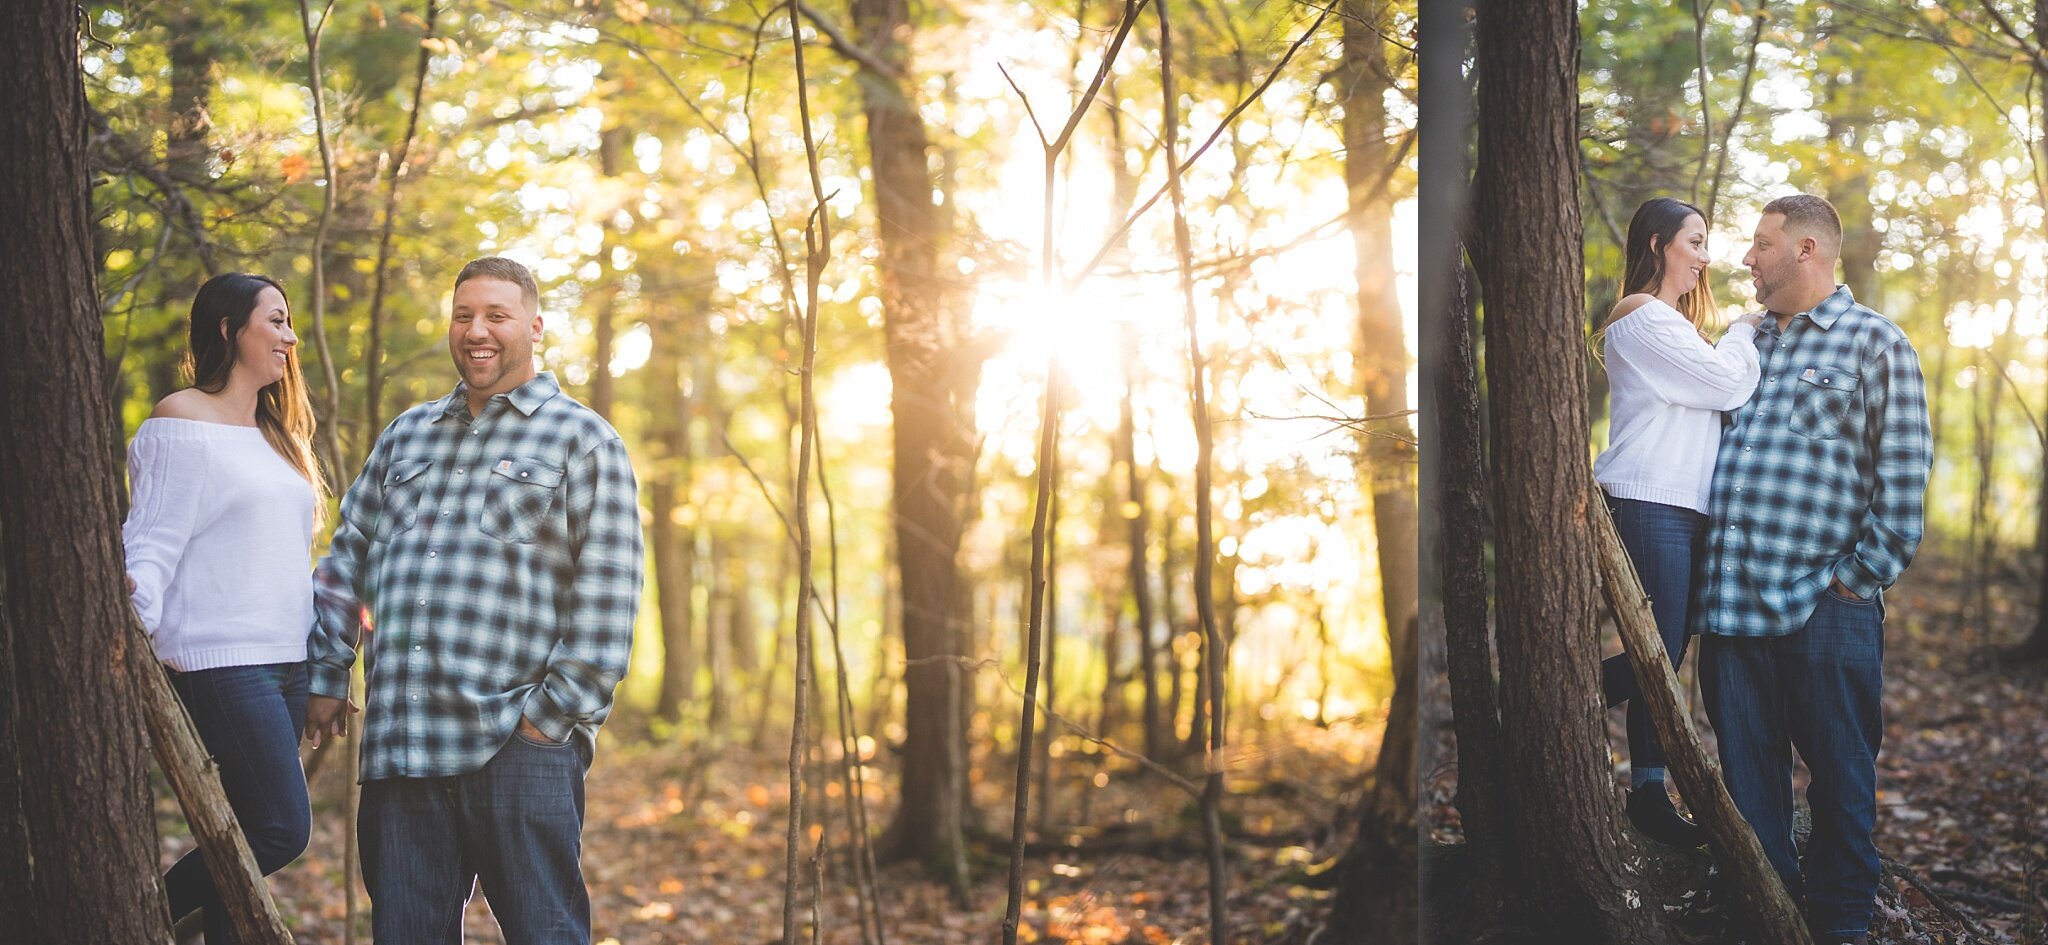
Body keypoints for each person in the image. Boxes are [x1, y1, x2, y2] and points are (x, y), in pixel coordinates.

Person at [305, 256, 643, 944]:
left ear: (535, 326)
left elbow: (607, 600)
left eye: (496, 314)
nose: (476, 330)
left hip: (517, 746)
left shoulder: (584, 439)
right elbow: (348, 560)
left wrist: (544, 723)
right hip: (403, 748)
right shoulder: (406, 436)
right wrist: (327, 670)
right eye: (464, 315)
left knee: (546, 934)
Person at [1692, 194, 1932, 945]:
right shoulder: (1742, 344)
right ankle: (1769, 919)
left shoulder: (1876, 344)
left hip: (1826, 605)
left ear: (1806, 250)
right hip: (1729, 607)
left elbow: (1903, 479)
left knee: (1841, 780)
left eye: (1760, 244)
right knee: (1749, 789)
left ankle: (1838, 926)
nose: (1746, 258)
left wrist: (1856, 579)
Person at [122, 272, 326, 943]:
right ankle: (130, 914)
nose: (289, 336)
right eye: (275, 320)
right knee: (278, 828)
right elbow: (150, 544)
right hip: (221, 661)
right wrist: (128, 635)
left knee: (243, 833)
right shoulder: (181, 420)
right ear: (227, 329)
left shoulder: (276, 436)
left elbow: (284, 560)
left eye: (291, 321)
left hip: (286, 662)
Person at [1592, 196, 1763, 848]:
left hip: (1684, 506)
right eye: (1695, 241)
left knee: (1665, 650)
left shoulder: (1673, 326)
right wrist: (1743, 330)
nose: (1704, 256)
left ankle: (1647, 787)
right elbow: (1725, 386)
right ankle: (1560, 712)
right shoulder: (1641, 318)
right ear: (1660, 243)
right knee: (1654, 655)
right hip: (1647, 498)